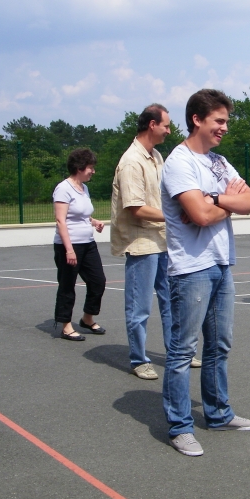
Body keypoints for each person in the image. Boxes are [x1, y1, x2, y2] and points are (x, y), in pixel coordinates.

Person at [161, 89, 250, 456]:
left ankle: (218, 413)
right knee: (183, 350)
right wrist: (221, 204)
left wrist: (215, 199)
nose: (224, 129)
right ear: (197, 120)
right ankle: (180, 427)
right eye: (219, 121)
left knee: (218, 345)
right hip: (191, 269)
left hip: (221, 263)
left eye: (226, 122)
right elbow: (196, 217)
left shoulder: (218, 163)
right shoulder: (179, 163)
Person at [111, 105, 201, 380]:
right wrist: (176, 216)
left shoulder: (156, 156)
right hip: (142, 243)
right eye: (166, 125)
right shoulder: (131, 161)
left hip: (162, 241)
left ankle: (177, 352)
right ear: (152, 125)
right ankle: (139, 359)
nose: (170, 130)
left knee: (170, 301)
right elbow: (135, 208)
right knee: (139, 307)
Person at [52, 148, 106, 341]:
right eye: (91, 167)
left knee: (98, 281)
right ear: (79, 167)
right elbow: (61, 220)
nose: (93, 171)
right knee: (67, 285)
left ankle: (87, 318)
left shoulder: (84, 188)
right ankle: (66, 325)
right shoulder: (63, 188)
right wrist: (69, 249)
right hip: (69, 245)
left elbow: (81, 214)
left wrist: (94, 222)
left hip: (88, 244)